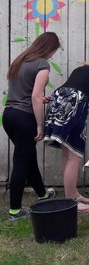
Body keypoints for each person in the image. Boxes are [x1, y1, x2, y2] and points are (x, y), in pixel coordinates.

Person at [44, 46, 89, 212]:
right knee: (74, 156)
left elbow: (75, 93)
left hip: (59, 99)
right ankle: (72, 201)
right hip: (76, 101)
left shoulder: (81, 70)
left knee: (67, 153)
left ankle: (73, 194)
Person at [2, 32, 60, 220]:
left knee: (28, 156)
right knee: (21, 161)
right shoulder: (42, 64)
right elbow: (35, 96)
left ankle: (42, 194)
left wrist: (37, 99)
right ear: (49, 49)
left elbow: (24, 92)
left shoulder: (20, 60)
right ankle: (15, 211)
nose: (53, 55)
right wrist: (40, 125)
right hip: (24, 118)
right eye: (54, 51)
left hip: (9, 115)